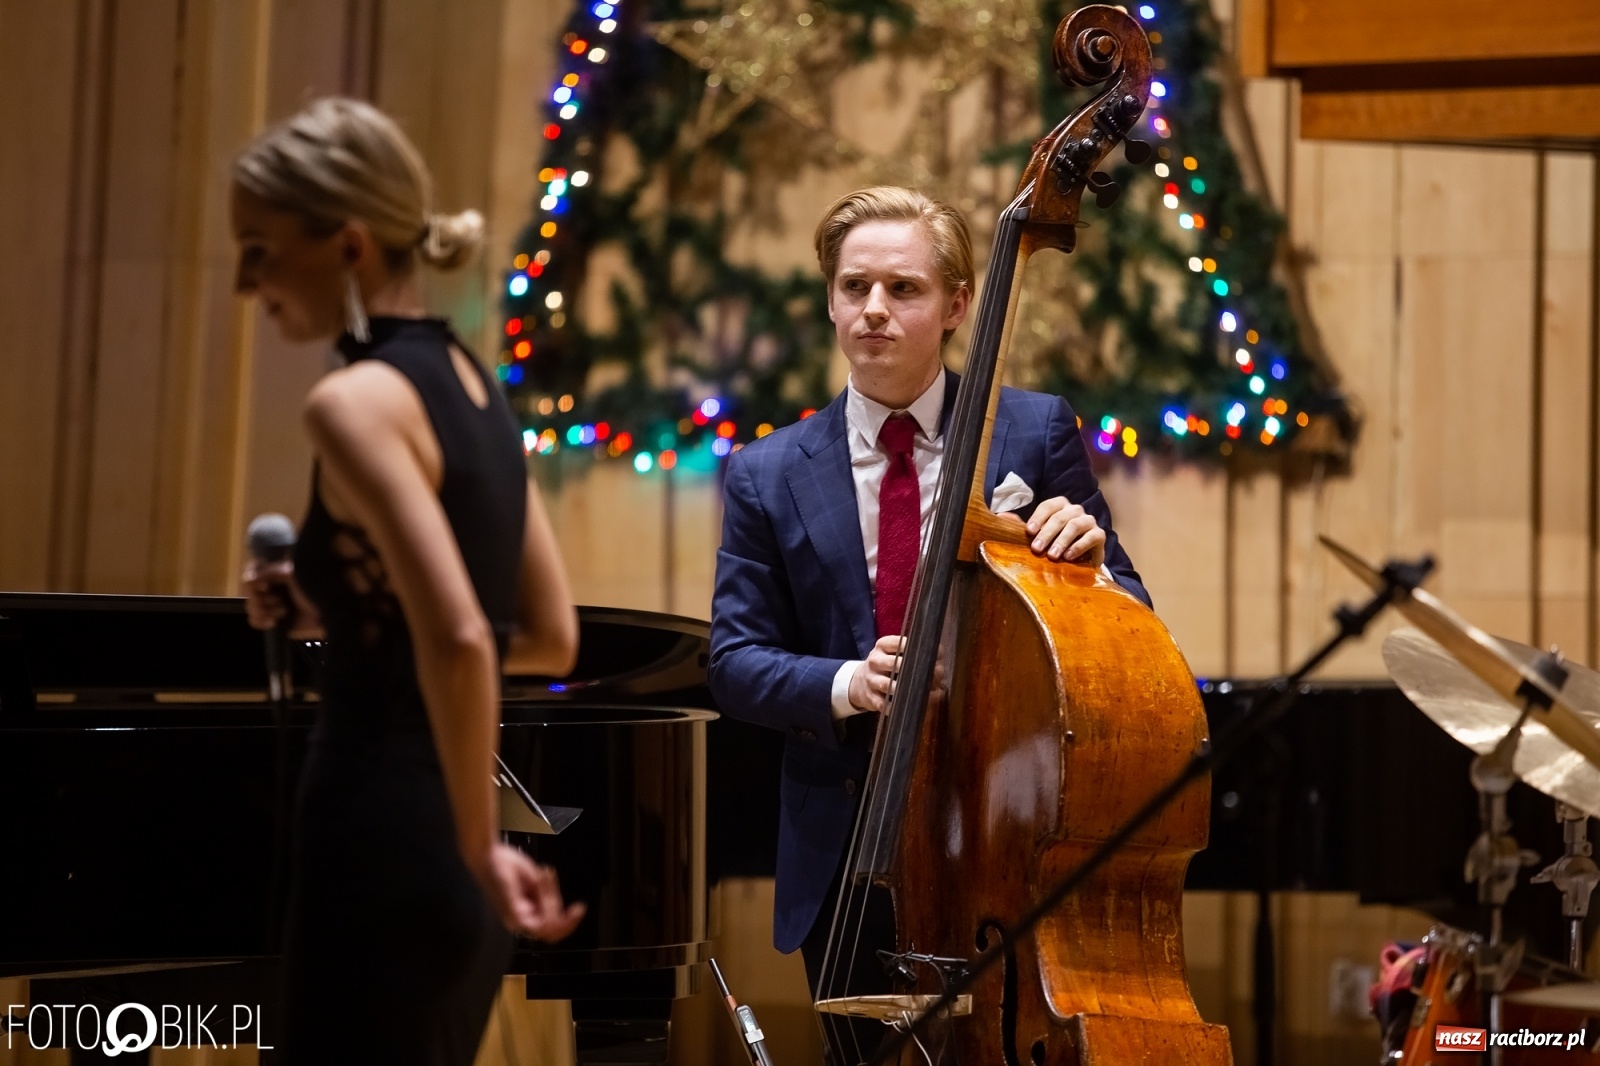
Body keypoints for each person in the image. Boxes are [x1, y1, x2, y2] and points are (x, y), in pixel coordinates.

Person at [707, 186, 1150, 1064]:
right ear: (830, 300)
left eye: (902, 288)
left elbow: (1132, 615)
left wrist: (1092, 566)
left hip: (1001, 828)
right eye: (854, 287)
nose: (873, 309)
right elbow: (734, 661)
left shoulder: (1032, 431)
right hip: (851, 851)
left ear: (954, 306)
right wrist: (849, 682)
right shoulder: (766, 471)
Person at [234, 97, 585, 1065]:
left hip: (381, 843)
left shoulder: (350, 403)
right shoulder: (477, 390)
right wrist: (336, 610)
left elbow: (462, 637)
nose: (245, 283)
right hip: (453, 870)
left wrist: (476, 847)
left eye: (259, 250)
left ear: (348, 245)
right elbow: (548, 637)